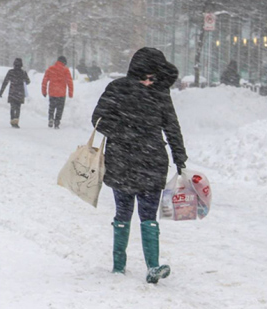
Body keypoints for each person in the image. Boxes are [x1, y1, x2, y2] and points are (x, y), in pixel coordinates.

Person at [91, 47, 187, 284]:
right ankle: (118, 265)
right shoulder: (119, 88)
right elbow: (98, 119)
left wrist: (180, 158)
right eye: (146, 76)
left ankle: (153, 266)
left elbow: (172, 127)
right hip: (124, 160)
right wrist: (126, 133)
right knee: (123, 213)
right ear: (137, 72)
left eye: (153, 77)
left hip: (151, 162)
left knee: (148, 214)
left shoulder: (160, 94)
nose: (149, 81)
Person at [42, 56, 74, 129]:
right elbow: (70, 82)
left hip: (52, 92)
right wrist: (70, 93)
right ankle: (57, 122)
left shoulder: (50, 69)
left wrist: (44, 91)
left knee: (51, 107)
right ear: (64, 62)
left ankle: (50, 118)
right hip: (61, 93)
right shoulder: (65, 70)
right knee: (60, 108)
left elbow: (44, 81)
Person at [0, 58, 31, 128]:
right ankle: (16, 121)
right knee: (18, 107)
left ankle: (12, 120)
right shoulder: (23, 73)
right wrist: (23, 80)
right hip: (20, 92)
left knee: (12, 107)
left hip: (12, 92)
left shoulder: (10, 72)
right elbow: (28, 82)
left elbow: (5, 82)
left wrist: (1, 91)